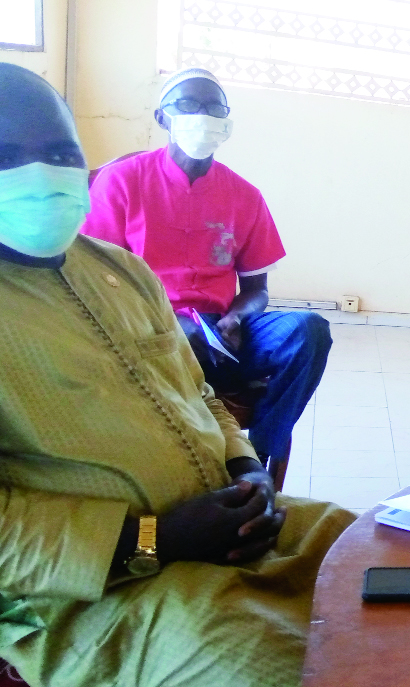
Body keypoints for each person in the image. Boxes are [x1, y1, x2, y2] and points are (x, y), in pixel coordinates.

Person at [0, 63, 353, 687]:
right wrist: (153, 539)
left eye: (60, 152)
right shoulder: (129, 188)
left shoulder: (117, 271)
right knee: (285, 668)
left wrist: (248, 472)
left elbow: (196, 390)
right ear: (161, 118)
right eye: (6, 157)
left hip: (230, 520)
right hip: (101, 591)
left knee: (380, 553)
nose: (40, 176)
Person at [81, 67, 329, 472]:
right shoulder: (122, 182)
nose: (203, 114)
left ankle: (261, 452)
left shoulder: (244, 196)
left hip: (221, 330)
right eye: (188, 105)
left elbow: (257, 288)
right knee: (184, 337)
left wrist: (236, 317)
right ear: (163, 118)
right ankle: (183, 462)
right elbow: (95, 274)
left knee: (309, 331)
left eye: (214, 107)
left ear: (227, 122)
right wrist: (168, 322)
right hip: (150, 328)